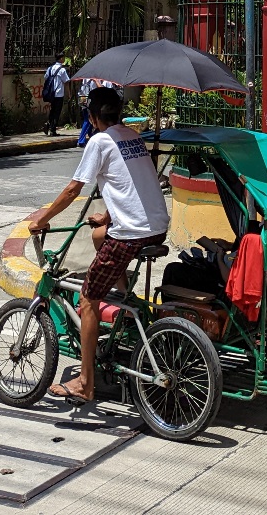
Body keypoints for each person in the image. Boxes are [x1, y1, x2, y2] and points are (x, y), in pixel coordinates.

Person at [29, 86, 169, 404]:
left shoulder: (100, 141)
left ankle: (85, 382)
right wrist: (106, 215)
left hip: (132, 233)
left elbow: (72, 189)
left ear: (91, 118)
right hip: (156, 228)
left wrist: (42, 219)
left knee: (88, 299)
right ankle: (123, 299)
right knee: (97, 235)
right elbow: (130, 182)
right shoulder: (132, 136)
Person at [42, 53, 70, 136]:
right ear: (61, 59)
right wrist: (68, 94)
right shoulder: (62, 70)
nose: (64, 59)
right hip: (58, 94)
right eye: (63, 58)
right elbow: (66, 82)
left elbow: (45, 77)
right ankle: (52, 130)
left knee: (52, 110)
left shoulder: (50, 68)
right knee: (57, 112)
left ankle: (49, 124)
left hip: (51, 93)